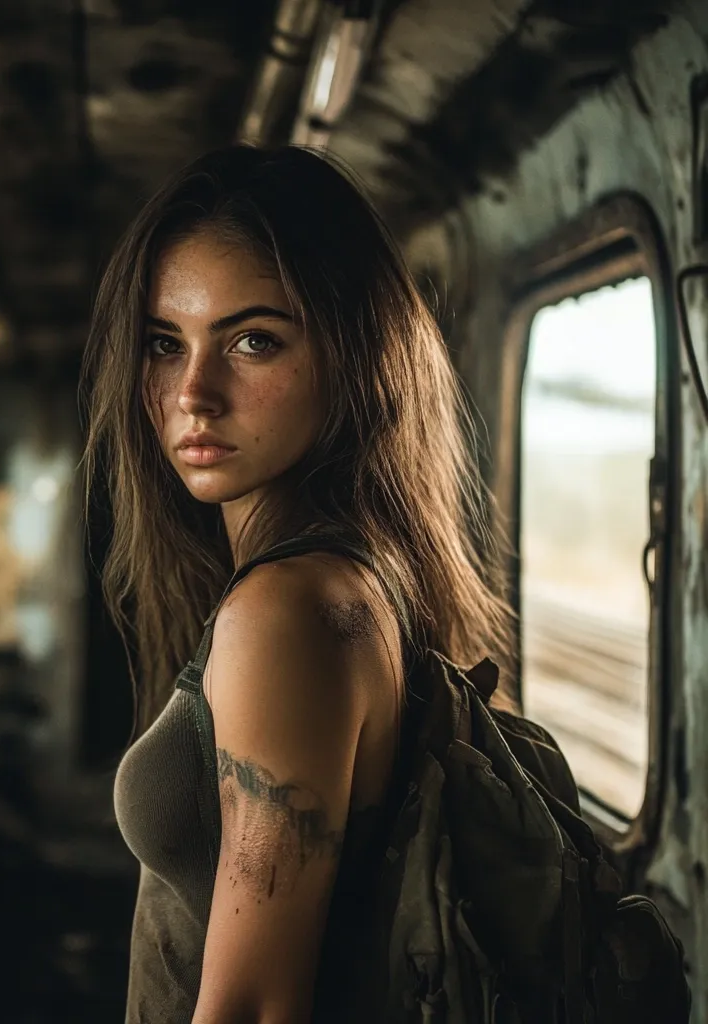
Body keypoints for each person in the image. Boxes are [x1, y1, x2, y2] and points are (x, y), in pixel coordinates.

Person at [80, 144, 514, 1023]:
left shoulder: (288, 612)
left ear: (352, 354)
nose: (193, 393)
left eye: (253, 341)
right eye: (164, 344)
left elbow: (253, 1008)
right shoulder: (360, 574)